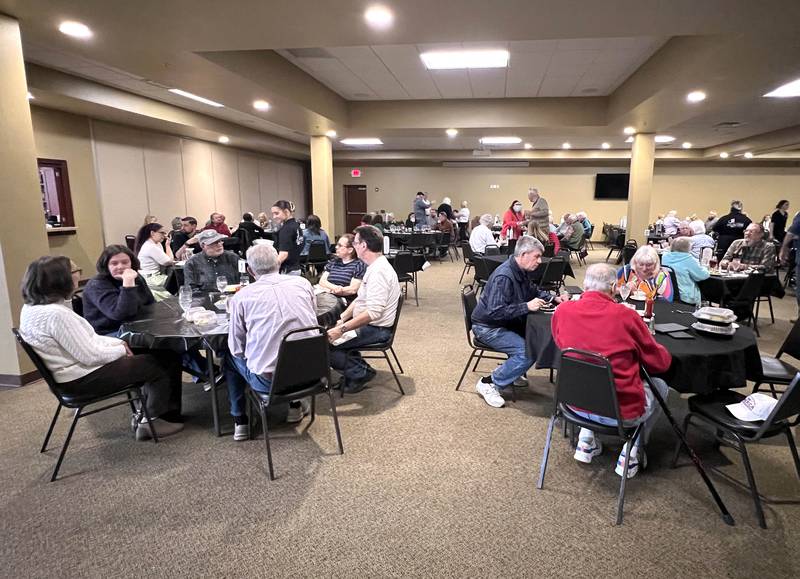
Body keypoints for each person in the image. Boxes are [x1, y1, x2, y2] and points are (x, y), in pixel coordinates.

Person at [18, 256, 183, 440]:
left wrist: (119, 343)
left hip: (69, 375)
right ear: (61, 279)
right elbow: (90, 356)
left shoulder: (31, 308)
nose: (78, 275)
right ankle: (153, 421)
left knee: (150, 354)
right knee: (163, 360)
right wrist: (121, 351)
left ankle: (147, 413)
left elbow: (89, 340)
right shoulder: (55, 314)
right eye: (74, 271)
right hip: (81, 380)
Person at [552, 263, 672, 478]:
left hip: (572, 404)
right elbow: (659, 363)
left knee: (588, 372)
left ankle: (586, 440)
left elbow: (562, 344)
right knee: (661, 386)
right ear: (614, 287)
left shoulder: (562, 310)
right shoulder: (626, 316)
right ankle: (633, 449)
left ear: (585, 284)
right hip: (620, 413)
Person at [225, 244, 318, 440]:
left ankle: (240, 420)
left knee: (228, 357)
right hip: (314, 374)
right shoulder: (303, 284)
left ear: (250, 271)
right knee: (294, 341)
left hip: (270, 383)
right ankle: (295, 404)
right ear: (277, 263)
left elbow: (237, 349)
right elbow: (312, 318)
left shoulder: (241, 297)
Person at [471, 237, 566, 408]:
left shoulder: (519, 271)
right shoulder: (504, 276)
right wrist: (526, 306)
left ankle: (512, 371)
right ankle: (489, 382)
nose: (539, 261)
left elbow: (532, 291)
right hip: (487, 327)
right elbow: (496, 311)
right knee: (527, 352)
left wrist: (554, 298)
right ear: (523, 254)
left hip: (502, 323)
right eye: (537, 256)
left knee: (535, 340)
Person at [327, 225, 401, 393]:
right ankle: (357, 370)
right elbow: (362, 299)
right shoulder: (375, 266)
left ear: (364, 245)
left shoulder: (379, 272)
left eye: (355, 242)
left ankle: (360, 372)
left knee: (325, 344)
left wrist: (341, 329)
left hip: (377, 329)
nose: (353, 246)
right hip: (371, 325)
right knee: (334, 335)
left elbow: (373, 313)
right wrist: (343, 318)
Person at [83, 245, 155, 335]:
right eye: (114, 263)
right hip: (109, 332)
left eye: (125, 262)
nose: (120, 267)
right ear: (106, 265)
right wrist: (128, 284)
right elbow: (121, 314)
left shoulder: (136, 277)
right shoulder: (96, 284)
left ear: (132, 263)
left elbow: (151, 303)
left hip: (136, 325)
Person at [662, 237, 710, 305]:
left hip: (668, 293)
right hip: (686, 296)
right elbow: (702, 275)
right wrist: (705, 267)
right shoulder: (688, 259)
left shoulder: (665, 257)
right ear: (688, 247)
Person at [319, 233, 366, 300]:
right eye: (337, 244)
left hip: (343, 300)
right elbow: (322, 281)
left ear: (350, 250)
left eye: (340, 245)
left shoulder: (359, 265)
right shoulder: (333, 261)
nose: (336, 247)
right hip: (326, 295)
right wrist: (336, 289)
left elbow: (353, 289)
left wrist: (330, 289)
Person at [134, 222, 173, 300]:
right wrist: (168, 246)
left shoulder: (155, 244)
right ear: (152, 233)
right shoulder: (150, 246)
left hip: (151, 276)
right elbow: (169, 261)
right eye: (162, 233)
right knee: (176, 282)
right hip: (151, 279)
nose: (165, 236)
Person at [271, 200, 304, 275]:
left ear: (286, 212)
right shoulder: (296, 226)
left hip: (287, 271)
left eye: (276, 213)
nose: (274, 217)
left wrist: (270, 269)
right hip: (296, 268)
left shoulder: (286, 229)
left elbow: (283, 254)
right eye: (273, 214)